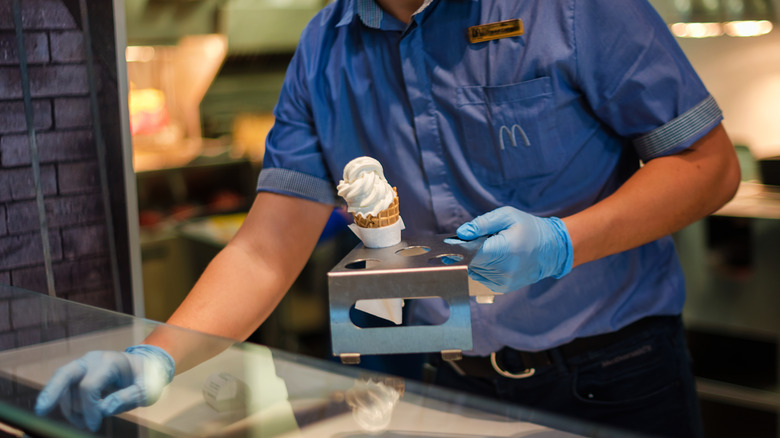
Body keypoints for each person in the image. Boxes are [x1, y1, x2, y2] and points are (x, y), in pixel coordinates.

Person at [34, 0, 740, 436]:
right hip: (447, 384)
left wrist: (562, 242)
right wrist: (159, 356)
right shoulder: (323, 51)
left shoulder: (574, 8)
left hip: (614, 376)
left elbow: (709, 167)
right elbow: (266, 251)